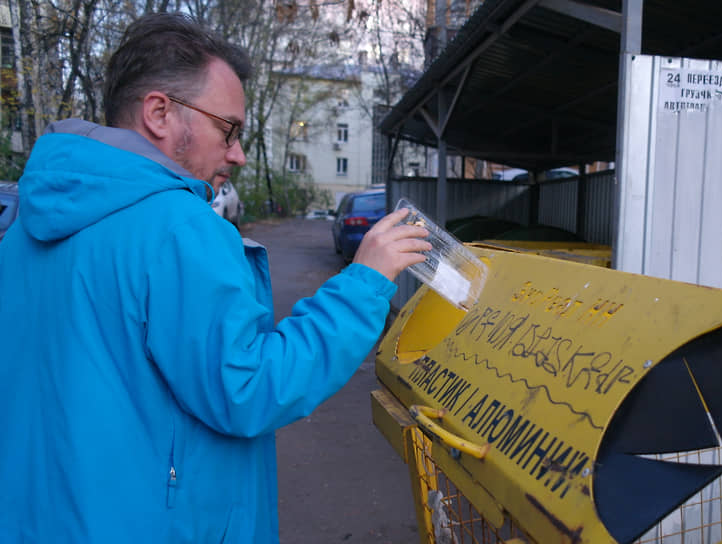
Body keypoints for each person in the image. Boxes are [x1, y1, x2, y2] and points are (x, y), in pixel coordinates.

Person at [0, 12, 431, 542]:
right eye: (227, 128)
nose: (238, 153)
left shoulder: (24, 226)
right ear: (159, 112)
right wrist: (365, 280)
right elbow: (248, 388)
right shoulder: (177, 227)